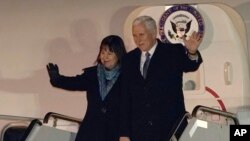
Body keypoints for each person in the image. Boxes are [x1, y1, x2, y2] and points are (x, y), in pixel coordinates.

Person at [119, 16, 203, 141]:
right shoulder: (128, 59)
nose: (137, 40)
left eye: (141, 34)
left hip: (170, 128)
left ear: (153, 33)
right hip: (139, 131)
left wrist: (192, 52)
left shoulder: (172, 52)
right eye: (134, 35)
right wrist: (124, 133)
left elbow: (190, 65)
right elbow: (125, 98)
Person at [46, 35, 126, 141]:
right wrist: (57, 79)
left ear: (118, 55)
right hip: (90, 132)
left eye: (109, 53)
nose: (105, 57)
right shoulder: (93, 74)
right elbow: (74, 83)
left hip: (114, 133)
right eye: (103, 52)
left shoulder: (127, 77)